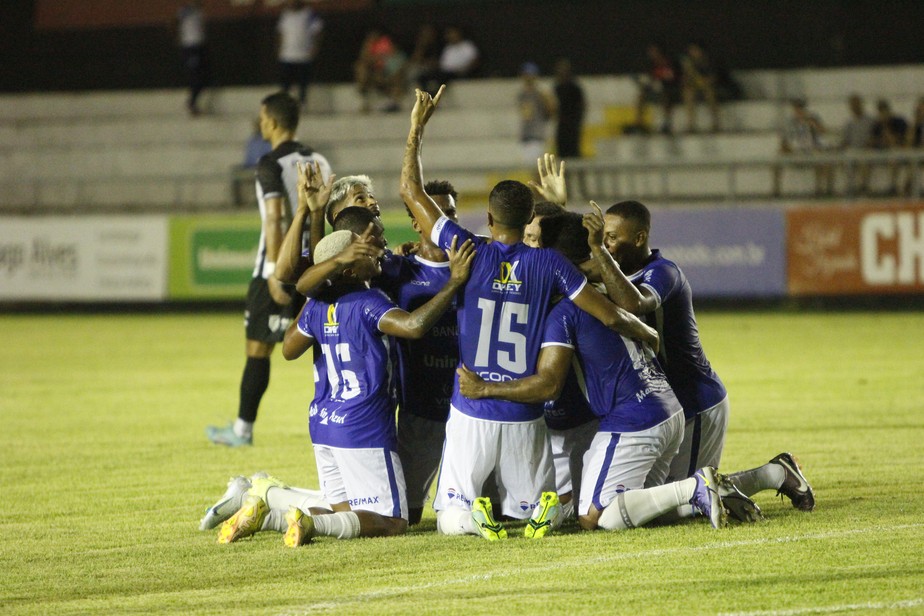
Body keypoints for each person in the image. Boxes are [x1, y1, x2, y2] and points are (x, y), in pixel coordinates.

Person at [400, 86, 660, 540]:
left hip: (471, 405)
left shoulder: (467, 251)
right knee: (541, 513)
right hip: (525, 413)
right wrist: (645, 332)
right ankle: (535, 511)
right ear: (527, 221)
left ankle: (472, 517)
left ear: (488, 217)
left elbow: (410, 190)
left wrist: (416, 129)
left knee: (448, 519)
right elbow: (609, 314)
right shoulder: (552, 265)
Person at [457, 211, 761, 531]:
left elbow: (548, 385)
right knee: (648, 508)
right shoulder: (604, 289)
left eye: (536, 247)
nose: (530, 253)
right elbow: (616, 310)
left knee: (595, 517)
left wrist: (486, 389)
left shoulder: (566, 310)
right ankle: (719, 490)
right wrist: (648, 332)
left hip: (633, 418)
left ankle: (695, 487)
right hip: (667, 409)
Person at [597, 200, 814, 511]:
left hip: (695, 402)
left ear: (640, 238)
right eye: (604, 237)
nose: (607, 245)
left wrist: (598, 254)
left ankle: (775, 474)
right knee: (655, 497)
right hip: (663, 407)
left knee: (685, 500)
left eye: (613, 238)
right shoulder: (615, 273)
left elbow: (634, 304)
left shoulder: (664, 272)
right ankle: (776, 472)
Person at [206, 92, 332, 447]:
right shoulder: (319, 159)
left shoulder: (269, 164)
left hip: (276, 268)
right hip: (317, 264)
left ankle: (242, 430)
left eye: (262, 117)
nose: (259, 123)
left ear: (273, 122)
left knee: (258, 349)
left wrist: (278, 272)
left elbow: (275, 218)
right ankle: (336, 414)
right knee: (325, 344)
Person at [774, 98, 832, 197]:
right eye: (796, 108)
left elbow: (823, 132)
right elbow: (784, 140)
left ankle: (820, 190)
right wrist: (786, 147)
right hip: (794, 151)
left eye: (800, 108)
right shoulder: (790, 122)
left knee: (823, 159)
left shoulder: (812, 118)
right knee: (776, 159)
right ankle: (776, 190)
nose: (798, 110)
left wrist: (813, 124)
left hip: (811, 150)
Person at [277, 0, 324, 109]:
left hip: (303, 55)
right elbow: (280, 32)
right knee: (285, 82)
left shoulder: (309, 14)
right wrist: (279, 48)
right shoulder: (285, 14)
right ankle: (284, 104)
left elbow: (318, 30)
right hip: (287, 54)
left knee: (303, 82)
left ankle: (302, 103)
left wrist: (314, 47)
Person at [354, 27, 407, 113]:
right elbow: (365, 59)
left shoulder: (385, 43)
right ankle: (365, 100)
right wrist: (368, 45)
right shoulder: (369, 45)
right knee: (361, 69)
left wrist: (376, 59)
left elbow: (389, 60)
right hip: (375, 72)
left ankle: (393, 101)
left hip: (389, 72)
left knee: (396, 76)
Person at [633, 43, 680, 135]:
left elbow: (671, 77)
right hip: (655, 89)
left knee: (665, 95)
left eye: (654, 51)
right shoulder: (650, 64)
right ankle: (639, 123)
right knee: (641, 95)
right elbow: (649, 78)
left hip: (668, 89)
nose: (652, 54)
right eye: (651, 52)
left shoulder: (668, 62)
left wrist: (661, 80)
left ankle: (666, 123)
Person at [419, 26, 478, 95]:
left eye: (452, 34)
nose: (450, 36)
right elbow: (443, 63)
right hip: (445, 71)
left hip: (458, 72)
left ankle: (435, 95)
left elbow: (475, 61)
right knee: (423, 77)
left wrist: (465, 70)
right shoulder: (448, 48)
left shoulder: (467, 46)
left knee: (442, 78)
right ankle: (427, 95)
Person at [518, 62, 556, 167]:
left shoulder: (541, 94)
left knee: (537, 169)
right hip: (526, 136)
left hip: (536, 136)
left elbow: (551, 111)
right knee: (528, 169)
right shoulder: (522, 94)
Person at [175, 0, 209, 116]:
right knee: (195, 76)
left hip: (198, 46)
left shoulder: (200, 11)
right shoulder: (186, 10)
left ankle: (193, 102)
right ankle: (192, 103)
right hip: (190, 47)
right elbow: (175, 21)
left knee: (201, 76)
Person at [680, 42, 720, 133]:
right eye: (690, 50)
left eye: (694, 50)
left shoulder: (709, 61)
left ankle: (715, 122)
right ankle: (691, 124)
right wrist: (687, 77)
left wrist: (703, 81)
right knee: (688, 93)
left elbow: (714, 78)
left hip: (712, 87)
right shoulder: (689, 63)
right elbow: (686, 80)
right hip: (697, 88)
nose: (692, 52)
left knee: (709, 92)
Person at [872, 99, 909, 195]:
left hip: (900, 151)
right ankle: (864, 189)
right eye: (880, 112)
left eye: (884, 112)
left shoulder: (899, 122)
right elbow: (872, 141)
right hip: (882, 152)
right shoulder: (877, 124)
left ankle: (893, 186)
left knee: (894, 158)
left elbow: (895, 142)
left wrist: (885, 127)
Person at [840, 94, 875, 195]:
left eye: (856, 104)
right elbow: (845, 140)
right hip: (853, 149)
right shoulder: (849, 123)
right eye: (852, 105)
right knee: (846, 158)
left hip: (866, 149)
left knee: (866, 158)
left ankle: (864, 187)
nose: (854, 107)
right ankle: (850, 187)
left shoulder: (870, 121)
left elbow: (875, 136)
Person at [552, 58, 585, 158]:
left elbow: (582, 106)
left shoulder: (575, 89)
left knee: (573, 154)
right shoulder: (556, 88)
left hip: (573, 128)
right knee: (561, 156)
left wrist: (577, 121)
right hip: (562, 128)